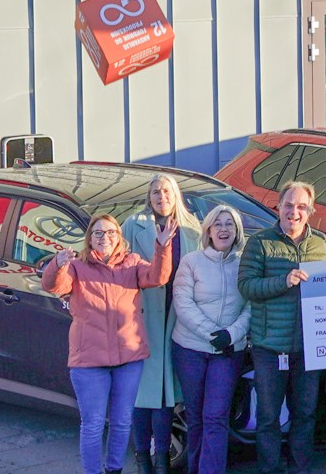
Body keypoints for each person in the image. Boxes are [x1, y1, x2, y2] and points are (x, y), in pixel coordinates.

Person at [44, 213, 177, 474]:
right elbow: (53, 285)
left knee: (122, 422)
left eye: (111, 232)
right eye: (99, 233)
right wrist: (57, 264)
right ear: (90, 239)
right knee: (93, 424)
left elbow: (157, 277)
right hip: (89, 361)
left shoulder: (132, 262)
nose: (105, 237)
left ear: (119, 237)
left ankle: (114, 469)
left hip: (128, 358)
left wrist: (163, 246)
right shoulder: (77, 267)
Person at [239, 181, 326, 474]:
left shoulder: (321, 243)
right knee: (268, 418)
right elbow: (246, 286)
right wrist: (284, 281)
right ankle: (268, 469)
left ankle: (299, 469)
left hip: (308, 347)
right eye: (289, 205)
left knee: (305, 415)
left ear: (311, 211)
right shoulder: (260, 242)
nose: (295, 212)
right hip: (270, 347)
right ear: (278, 207)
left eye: (302, 206)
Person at [122, 174, 202, 474]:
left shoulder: (192, 228)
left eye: (167, 191)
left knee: (167, 395)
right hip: (143, 319)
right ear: (148, 196)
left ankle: (161, 462)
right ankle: (144, 460)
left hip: (177, 318)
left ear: (176, 195)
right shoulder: (133, 225)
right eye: (155, 191)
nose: (161, 196)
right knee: (144, 394)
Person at [174, 203, 251, 474]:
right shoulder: (191, 262)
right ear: (208, 230)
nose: (223, 229)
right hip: (190, 349)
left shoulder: (244, 265)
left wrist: (231, 335)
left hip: (228, 352)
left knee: (216, 417)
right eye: (218, 224)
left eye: (229, 224)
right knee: (195, 417)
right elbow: (182, 303)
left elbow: (251, 306)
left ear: (237, 231)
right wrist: (212, 334)